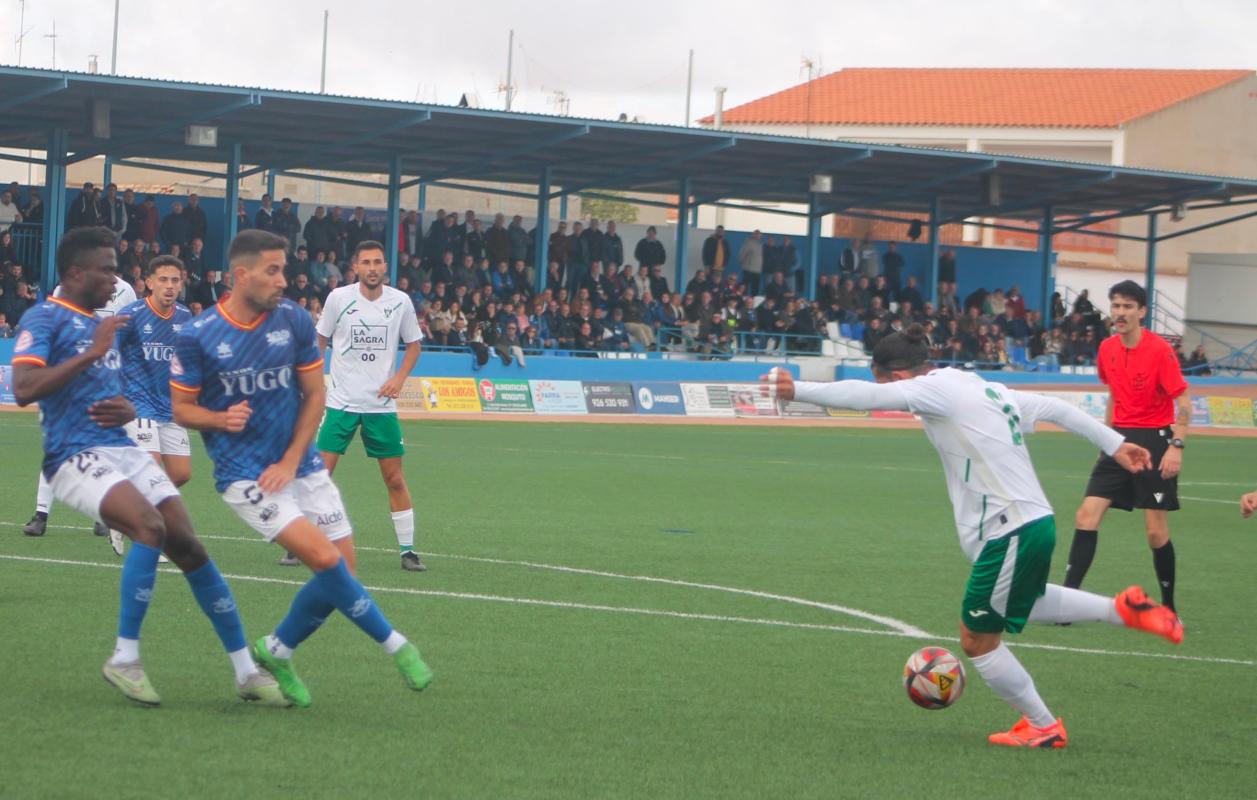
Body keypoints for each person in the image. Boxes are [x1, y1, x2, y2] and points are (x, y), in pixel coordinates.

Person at [761, 326, 1181, 748]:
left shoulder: (932, 389)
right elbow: (1056, 407)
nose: (889, 395)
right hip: (1031, 523)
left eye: (884, 383)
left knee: (977, 639)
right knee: (1029, 602)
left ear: (897, 377)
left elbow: (866, 397)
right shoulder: (982, 387)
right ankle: (1123, 610)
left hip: (1009, 529)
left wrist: (795, 388)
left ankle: (1043, 725)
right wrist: (1115, 443)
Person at [11, 226, 287, 707]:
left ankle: (246, 669)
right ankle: (124, 658)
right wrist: (93, 353)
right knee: (149, 526)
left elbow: (104, 391)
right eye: (108, 269)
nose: (117, 277)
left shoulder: (108, 326)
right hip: (74, 454)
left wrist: (124, 408)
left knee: (189, 542)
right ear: (77, 272)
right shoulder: (46, 317)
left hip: (121, 445)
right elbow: (24, 388)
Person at [171, 229, 433, 707]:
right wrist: (218, 418)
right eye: (272, 270)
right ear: (240, 274)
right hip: (246, 475)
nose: (282, 280)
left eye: (284, 269)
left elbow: (314, 395)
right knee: (329, 563)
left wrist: (293, 459)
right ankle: (396, 645)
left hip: (299, 462)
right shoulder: (198, 335)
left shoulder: (291, 318)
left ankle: (277, 650)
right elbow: (181, 409)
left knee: (345, 568)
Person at [295, 240, 427, 572]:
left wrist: (398, 379)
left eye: (377, 262)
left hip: (380, 406)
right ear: (356, 267)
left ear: (385, 267)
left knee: (395, 478)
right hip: (340, 402)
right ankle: (300, 544)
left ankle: (408, 551)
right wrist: (315, 382)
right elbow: (319, 341)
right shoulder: (339, 298)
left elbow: (414, 345)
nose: (372, 267)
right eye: (365, 262)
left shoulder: (400, 302)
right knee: (320, 475)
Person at [1064, 281, 1189, 613]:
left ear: (1142, 312)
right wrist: (1106, 439)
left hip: (1155, 440)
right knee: (1085, 515)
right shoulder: (1106, 348)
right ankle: (1065, 602)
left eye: (1127, 306)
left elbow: (1184, 402)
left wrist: (1176, 446)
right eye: (1116, 306)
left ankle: (1169, 608)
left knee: (1155, 532)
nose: (1120, 313)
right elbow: (1114, 395)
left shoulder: (1161, 350)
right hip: (1118, 440)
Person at [22, 261, 137, 543]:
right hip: (68, 383)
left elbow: (129, 333)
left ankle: (101, 517)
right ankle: (40, 515)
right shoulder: (65, 289)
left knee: (102, 452)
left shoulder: (125, 291)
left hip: (103, 384)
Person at [116, 256, 195, 490]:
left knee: (181, 474)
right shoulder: (131, 314)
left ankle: (129, 497)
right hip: (137, 403)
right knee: (150, 466)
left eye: (175, 280)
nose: (169, 285)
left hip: (169, 406)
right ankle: (126, 519)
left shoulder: (185, 316)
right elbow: (107, 353)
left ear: (181, 285)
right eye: (163, 280)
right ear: (150, 283)